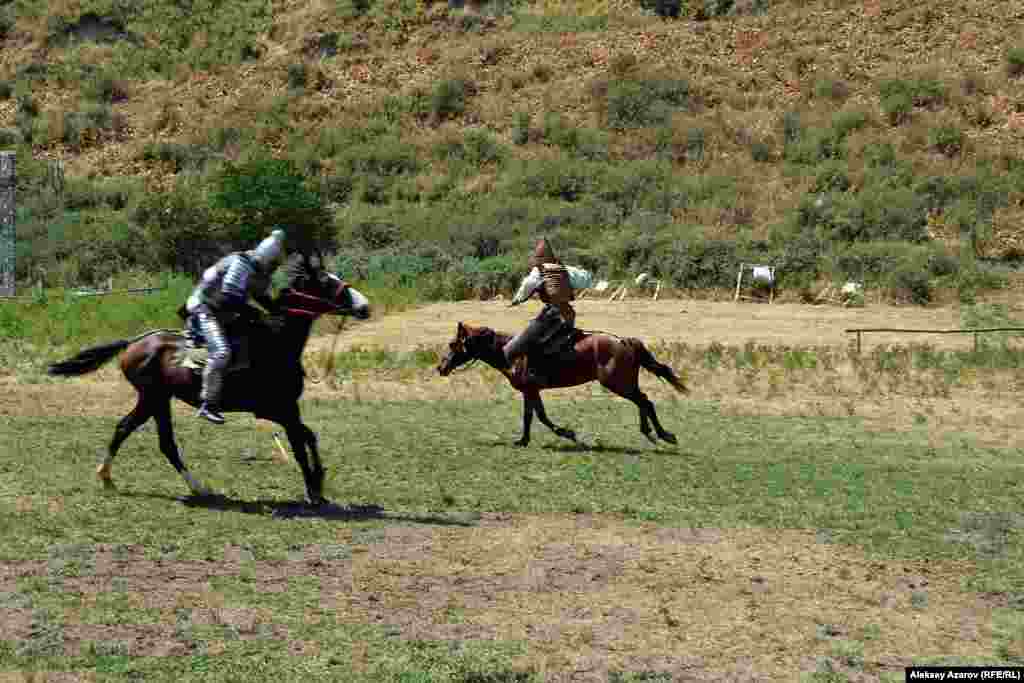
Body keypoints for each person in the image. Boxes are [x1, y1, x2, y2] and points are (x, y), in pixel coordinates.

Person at [184, 229, 287, 424]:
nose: (274, 269)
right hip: (206, 309)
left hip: (225, 311)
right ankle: (208, 403)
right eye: (273, 264)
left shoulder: (258, 269)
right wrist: (261, 316)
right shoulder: (241, 263)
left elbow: (259, 296)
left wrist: (277, 312)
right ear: (267, 259)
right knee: (221, 353)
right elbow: (229, 297)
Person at [504, 237, 585, 385]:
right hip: (569, 314)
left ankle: (537, 375)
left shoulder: (539, 271)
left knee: (532, 340)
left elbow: (527, 285)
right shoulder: (563, 268)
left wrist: (516, 300)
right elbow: (584, 278)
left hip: (553, 314)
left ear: (538, 259)